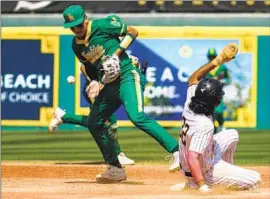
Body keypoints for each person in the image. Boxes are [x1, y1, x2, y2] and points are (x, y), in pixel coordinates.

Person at [61, 5, 179, 183]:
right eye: (72, 27)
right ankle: (115, 168)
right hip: (108, 85)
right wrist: (94, 82)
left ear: (85, 18)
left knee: (136, 116)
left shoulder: (102, 25)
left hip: (126, 76)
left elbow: (133, 31)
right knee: (94, 122)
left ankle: (177, 151)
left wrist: (116, 55)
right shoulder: (75, 45)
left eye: (78, 25)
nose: (76, 29)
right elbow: (89, 67)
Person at [170, 43, 260, 192]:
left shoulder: (191, 100)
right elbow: (192, 157)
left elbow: (194, 77)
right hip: (201, 170)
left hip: (200, 158)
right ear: (214, 101)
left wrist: (219, 60)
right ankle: (200, 182)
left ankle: (226, 171)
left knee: (232, 134)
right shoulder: (204, 124)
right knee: (254, 179)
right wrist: (202, 186)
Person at [48, 55, 147, 166]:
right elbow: (83, 67)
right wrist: (93, 82)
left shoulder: (120, 55)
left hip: (106, 91)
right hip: (96, 91)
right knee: (108, 123)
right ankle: (117, 155)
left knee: (100, 123)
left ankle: (63, 117)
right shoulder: (103, 50)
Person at [207, 48, 232, 133]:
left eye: (213, 56)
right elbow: (201, 79)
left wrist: (223, 82)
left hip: (218, 93)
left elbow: (228, 79)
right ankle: (213, 129)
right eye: (210, 56)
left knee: (219, 111)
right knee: (210, 112)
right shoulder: (206, 68)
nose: (211, 58)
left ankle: (221, 126)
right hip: (208, 93)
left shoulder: (222, 67)